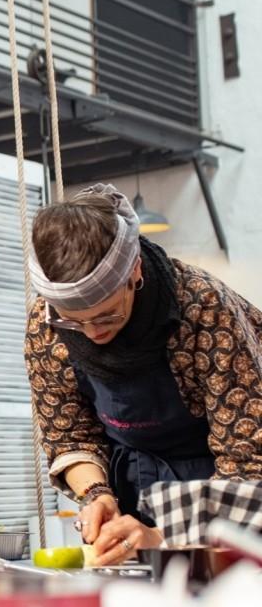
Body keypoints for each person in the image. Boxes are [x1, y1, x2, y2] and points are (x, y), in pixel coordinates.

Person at [25, 184, 262, 565]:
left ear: (134, 270)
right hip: (134, 485)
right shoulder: (47, 325)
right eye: (74, 321)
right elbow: (68, 433)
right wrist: (98, 494)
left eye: (107, 314)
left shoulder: (203, 310)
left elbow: (248, 464)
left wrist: (162, 536)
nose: (92, 332)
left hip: (228, 500)